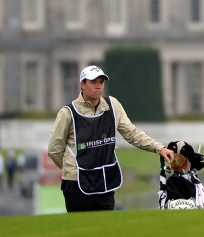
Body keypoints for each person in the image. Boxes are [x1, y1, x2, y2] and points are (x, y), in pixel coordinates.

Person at [47, 65, 174, 212]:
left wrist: (159, 148)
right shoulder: (67, 113)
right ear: (82, 84)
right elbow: (54, 150)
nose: (98, 86)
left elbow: (132, 134)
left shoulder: (113, 105)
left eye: (101, 82)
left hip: (105, 180)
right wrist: (72, 169)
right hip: (76, 184)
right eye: (93, 82)